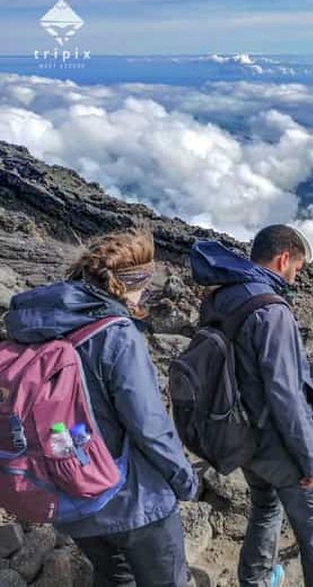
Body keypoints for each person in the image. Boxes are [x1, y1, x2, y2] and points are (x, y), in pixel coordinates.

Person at [4, 229, 198, 586]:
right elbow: (149, 425)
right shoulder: (116, 333)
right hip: (136, 501)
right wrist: (185, 481)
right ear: (129, 285)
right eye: (146, 286)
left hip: (72, 495)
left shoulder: (35, 325)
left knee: (112, 577)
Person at [189, 225, 313, 587]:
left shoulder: (220, 297)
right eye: (297, 268)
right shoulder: (272, 309)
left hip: (241, 436)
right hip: (278, 444)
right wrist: (311, 461)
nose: (296, 276)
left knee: (265, 507)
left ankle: (255, 580)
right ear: (284, 258)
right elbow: (285, 393)